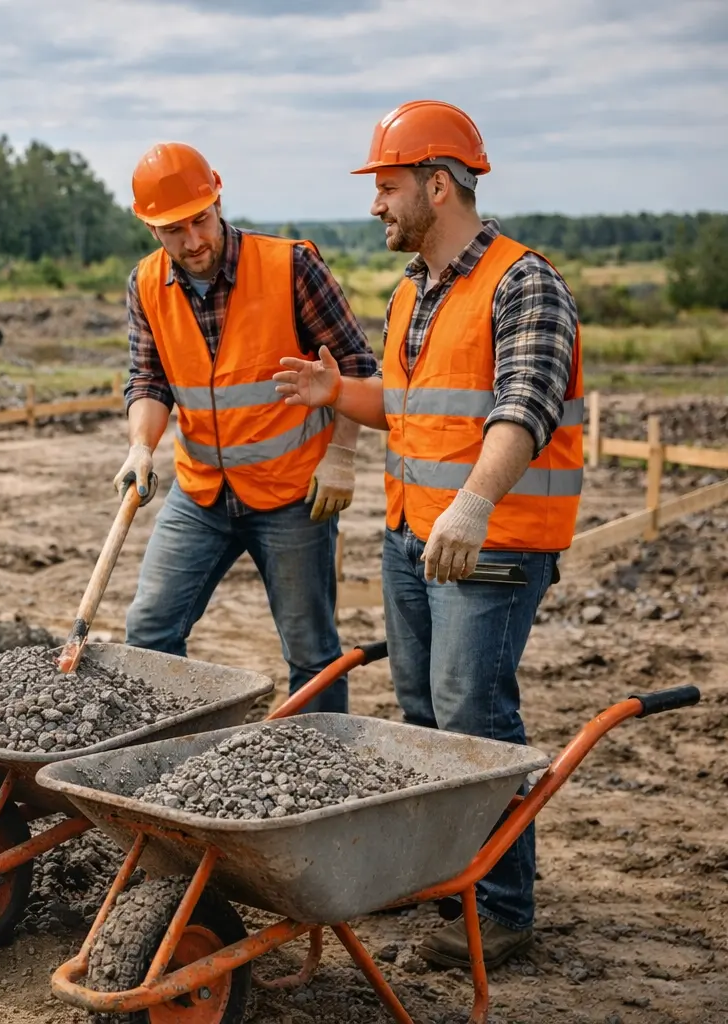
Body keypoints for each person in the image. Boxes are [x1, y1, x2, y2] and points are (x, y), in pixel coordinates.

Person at [273, 99, 584, 969]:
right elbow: (411, 411)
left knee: (473, 718)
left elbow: (525, 404)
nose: (376, 205)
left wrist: (477, 502)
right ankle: (451, 879)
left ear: (437, 186)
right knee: (424, 717)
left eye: (388, 186)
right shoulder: (414, 290)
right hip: (415, 539)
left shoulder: (525, 283)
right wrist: (336, 395)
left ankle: (504, 909)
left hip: (493, 539)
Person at [118, 142, 377, 714]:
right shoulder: (145, 285)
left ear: (218, 199)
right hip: (202, 490)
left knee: (311, 649)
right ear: (150, 228)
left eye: (200, 221)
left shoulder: (291, 267)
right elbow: (149, 381)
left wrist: (341, 456)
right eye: (172, 230)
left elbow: (357, 370)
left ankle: (319, 769)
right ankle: (167, 761)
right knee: (150, 628)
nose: (192, 241)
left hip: (291, 493)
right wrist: (141, 447)